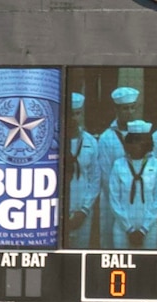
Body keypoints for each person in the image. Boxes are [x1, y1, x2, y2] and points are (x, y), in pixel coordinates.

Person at [97, 86, 141, 247]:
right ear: (117, 109)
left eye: (132, 108)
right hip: (113, 199)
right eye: (125, 108)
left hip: (138, 200)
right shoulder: (106, 138)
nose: (129, 112)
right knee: (111, 242)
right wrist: (120, 200)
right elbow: (106, 174)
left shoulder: (142, 134)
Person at [109, 121, 157, 250]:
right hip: (123, 227)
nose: (136, 145)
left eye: (140, 141)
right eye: (133, 140)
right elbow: (114, 199)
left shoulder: (156, 165)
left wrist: (144, 228)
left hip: (150, 227)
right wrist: (128, 228)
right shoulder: (118, 165)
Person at [65, 93, 100, 248]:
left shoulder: (90, 142)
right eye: (70, 114)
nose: (73, 118)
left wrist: (84, 209)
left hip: (83, 211)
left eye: (77, 113)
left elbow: (95, 179)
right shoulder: (54, 141)